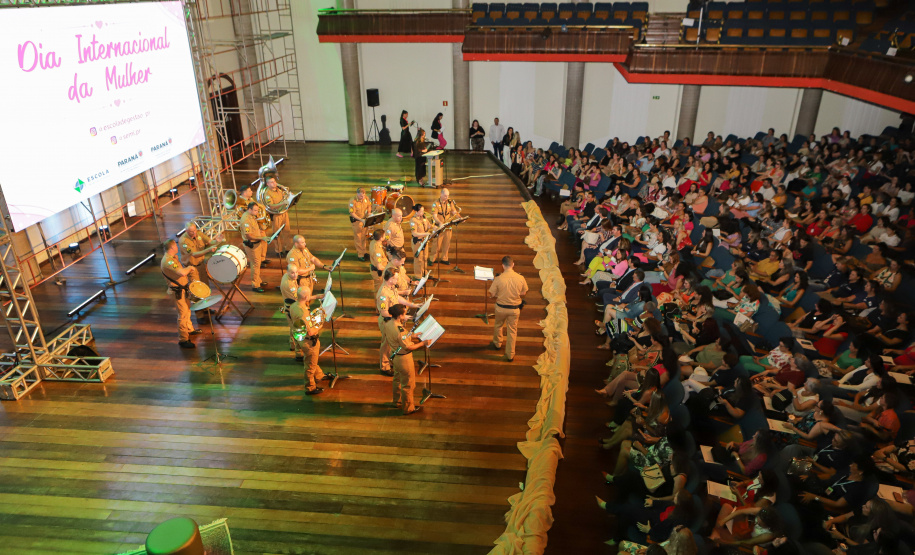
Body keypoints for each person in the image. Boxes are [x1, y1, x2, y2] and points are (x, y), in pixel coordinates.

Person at [386, 303, 430, 415]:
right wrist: (422, 343)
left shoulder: (389, 323)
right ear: (400, 316)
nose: (405, 316)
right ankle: (408, 408)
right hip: (404, 359)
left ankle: (397, 401)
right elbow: (408, 346)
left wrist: (412, 335)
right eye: (404, 314)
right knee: (408, 384)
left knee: (397, 379)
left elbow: (401, 338)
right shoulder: (400, 330)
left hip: (394, 355)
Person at [376, 268, 421, 377]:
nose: (397, 280)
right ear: (390, 279)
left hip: (394, 319)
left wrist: (412, 305)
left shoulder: (391, 288)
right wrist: (402, 316)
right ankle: (384, 366)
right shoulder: (383, 293)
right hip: (387, 322)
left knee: (392, 343)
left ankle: (390, 361)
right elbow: (384, 312)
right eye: (395, 278)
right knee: (386, 343)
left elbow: (397, 298)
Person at [161, 239, 201, 349]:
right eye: (176, 246)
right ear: (172, 247)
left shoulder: (172, 258)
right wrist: (190, 268)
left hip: (182, 289)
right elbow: (182, 272)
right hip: (176, 291)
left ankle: (189, 330)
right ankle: (183, 339)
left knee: (187, 309)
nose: (177, 247)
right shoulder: (168, 261)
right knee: (182, 314)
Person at [489, 256, 529, 362]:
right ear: (513, 264)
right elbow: (523, 292)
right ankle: (510, 354)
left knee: (498, 325)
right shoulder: (521, 278)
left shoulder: (498, 279)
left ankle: (497, 344)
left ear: (503, 265)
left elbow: (492, 294)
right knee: (512, 331)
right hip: (514, 309)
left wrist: (499, 293)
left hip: (501, 308)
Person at [289, 285, 327, 395]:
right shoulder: (303, 312)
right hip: (309, 341)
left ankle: (319, 375)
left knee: (312, 361)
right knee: (310, 364)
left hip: (299, 337)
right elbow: (311, 331)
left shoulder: (294, 306)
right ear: (306, 297)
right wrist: (321, 323)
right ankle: (310, 387)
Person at [178, 221, 217, 323]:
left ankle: (206, 308)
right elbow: (194, 254)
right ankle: (199, 315)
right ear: (186, 231)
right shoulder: (183, 241)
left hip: (201, 265)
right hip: (192, 268)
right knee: (196, 291)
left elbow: (209, 241)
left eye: (195, 230)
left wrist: (216, 241)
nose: (194, 233)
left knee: (205, 287)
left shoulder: (198, 233)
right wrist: (209, 250)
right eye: (191, 232)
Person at [239, 202, 269, 292]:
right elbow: (249, 235)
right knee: (255, 264)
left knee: (258, 263)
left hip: (257, 243)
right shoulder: (246, 220)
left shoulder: (251, 216)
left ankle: (258, 281)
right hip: (252, 245)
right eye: (255, 210)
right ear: (250, 209)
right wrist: (262, 237)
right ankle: (255, 285)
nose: (257, 212)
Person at [262, 176, 291, 256]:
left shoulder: (279, 189)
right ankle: (278, 250)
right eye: (271, 182)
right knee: (277, 233)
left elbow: (285, 197)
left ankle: (288, 248)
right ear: (267, 184)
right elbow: (271, 206)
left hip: (284, 213)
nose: (274, 183)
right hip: (276, 215)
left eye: (274, 181)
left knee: (287, 232)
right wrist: (282, 203)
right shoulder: (267, 194)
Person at [430, 188, 460, 265]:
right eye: (445, 196)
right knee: (436, 244)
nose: (447, 197)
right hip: (439, 227)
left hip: (448, 226)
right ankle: (432, 259)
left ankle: (444, 258)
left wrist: (459, 218)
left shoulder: (450, 202)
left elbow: (454, 211)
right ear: (441, 194)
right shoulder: (435, 203)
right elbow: (434, 216)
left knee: (447, 243)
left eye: (448, 196)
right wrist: (440, 223)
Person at [410, 204, 434, 277]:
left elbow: (428, 225)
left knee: (424, 258)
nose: (422, 213)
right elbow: (414, 233)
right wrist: (425, 234)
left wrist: (435, 227)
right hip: (418, 242)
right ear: (416, 211)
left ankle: (424, 273)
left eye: (423, 211)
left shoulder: (423, 217)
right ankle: (418, 276)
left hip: (424, 241)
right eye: (421, 211)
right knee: (418, 260)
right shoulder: (413, 220)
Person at [348, 187, 372, 261]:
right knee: (358, 238)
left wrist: (369, 213)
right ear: (357, 194)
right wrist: (361, 219)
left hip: (364, 221)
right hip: (357, 222)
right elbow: (352, 213)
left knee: (363, 237)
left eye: (364, 195)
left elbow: (369, 206)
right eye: (361, 196)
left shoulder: (366, 198)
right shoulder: (353, 201)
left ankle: (364, 252)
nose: (362, 197)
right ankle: (360, 254)